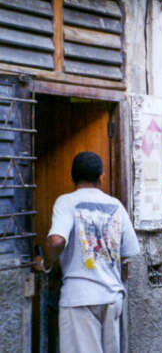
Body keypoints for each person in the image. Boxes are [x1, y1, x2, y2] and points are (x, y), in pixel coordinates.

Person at [34, 151, 140, 353]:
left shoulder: (66, 202)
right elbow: (128, 251)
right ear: (102, 176)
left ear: (72, 177)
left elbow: (56, 241)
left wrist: (46, 264)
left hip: (80, 299)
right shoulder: (116, 205)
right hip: (111, 297)